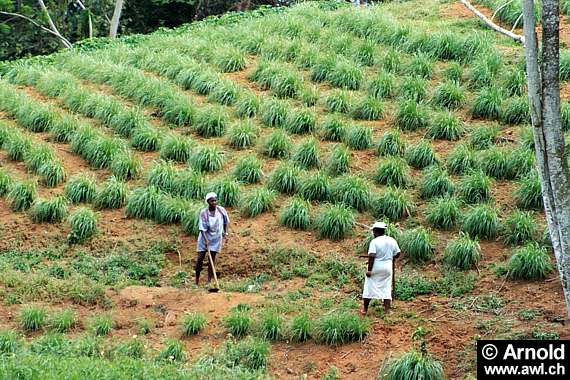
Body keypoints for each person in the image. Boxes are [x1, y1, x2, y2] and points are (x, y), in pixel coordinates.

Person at [361, 221, 401, 315]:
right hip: (387, 267)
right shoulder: (392, 240)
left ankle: (365, 309)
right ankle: (387, 310)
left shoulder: (374, 242)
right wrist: (391, 257)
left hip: (376, 266)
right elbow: (398, 253)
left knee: (369, 287)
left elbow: (371, 256)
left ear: (375, 231)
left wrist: (369, 270)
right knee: (386, 287)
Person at [195, 192, 229, 286]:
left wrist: (225, 233)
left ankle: (209, 282)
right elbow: (202, 228)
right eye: (212, 201)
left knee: (211, 259)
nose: (214, 202)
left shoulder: (221, 210)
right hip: (204, 238)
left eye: (215, 200)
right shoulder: (204, 213)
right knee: (200, 258)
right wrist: (206, 240)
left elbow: (226, 222)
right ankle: (196, 280)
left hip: (216, 238)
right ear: (208, 202)